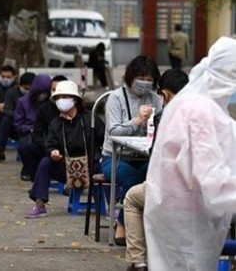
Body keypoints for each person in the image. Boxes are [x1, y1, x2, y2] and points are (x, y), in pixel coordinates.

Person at [143, 37, 236, 271]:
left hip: (180, 217)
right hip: (187, 222)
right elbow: (212, 183)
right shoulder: (199, 112)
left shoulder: (195, 105)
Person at [123, 68, 188, 271]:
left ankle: (139, 262)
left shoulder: (167, 116)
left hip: (176, 191)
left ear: (165, 94)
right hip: (213, 191)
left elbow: (157, 155)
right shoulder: (210, 111)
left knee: (132, 198)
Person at [100, 55, 162, 246]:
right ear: (131, 76)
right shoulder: (115, 98)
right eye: (141, 77)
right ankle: (122, 224)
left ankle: (141, 225)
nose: (145, 83)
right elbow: (113, 131)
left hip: (143, 157)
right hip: (115, 158)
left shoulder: (156, 99)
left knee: (155, 177)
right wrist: (137, 120)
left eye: (149, 79)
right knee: (132, 178)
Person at [25, 80, 105, 218]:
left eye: (65, 97)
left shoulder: (90, 119)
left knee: (109, 166)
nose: (61, 101)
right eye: (58, 98)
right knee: (45, 163)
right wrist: (53, 152)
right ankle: (39, 205)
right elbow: (51, 144)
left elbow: (104, 138)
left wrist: (103, 155)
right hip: (67, 168)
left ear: (74, 99)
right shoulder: (55, 123)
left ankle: (114, 207)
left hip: (92, 165)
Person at [0, 72, 35, 164]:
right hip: (17, 124)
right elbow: (7, 110)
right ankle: (0, 152)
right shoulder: (12, 93)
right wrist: (20, 116)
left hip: (34, 126)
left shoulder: (38, 95)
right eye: (26, 88)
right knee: (6, 120)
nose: (28, 91)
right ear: (20, 85)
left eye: (30, 88)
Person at [14, 74, 52, 181]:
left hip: (47, 133)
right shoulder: (23, 102)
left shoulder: (50, 103)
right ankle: (29, 169)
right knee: (26, 146)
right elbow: (18, 124)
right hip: (29, 132)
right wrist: (31, 128)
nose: (42, 95)